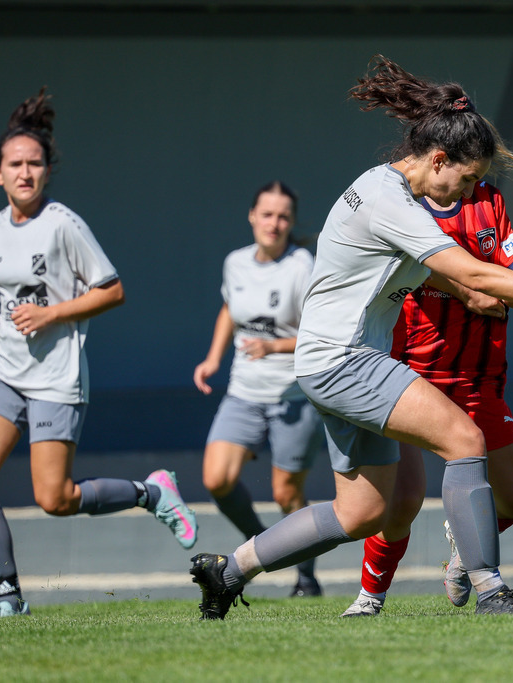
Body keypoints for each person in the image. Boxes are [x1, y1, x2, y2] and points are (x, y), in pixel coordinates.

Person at [189, 55, 513, 619]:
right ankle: (490, 590)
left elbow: (438, 273)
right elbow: (470, 268)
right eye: (462, 179)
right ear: (438, 159)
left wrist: (467, 294)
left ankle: (229, 570)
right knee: (464, 440)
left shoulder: (387, 192)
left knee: (362, 512)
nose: (465, 195)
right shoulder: (393, 200)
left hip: (327, 364)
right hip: (345, 361)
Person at [0, 89, 198, 618]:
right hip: (5, 373)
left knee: (54, 499)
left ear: (47, 172)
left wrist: (51, 314)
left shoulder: (63, 224)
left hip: (57, 377)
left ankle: (152, 492)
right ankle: (8, 597)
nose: (25, 172)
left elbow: (112, 289)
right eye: (15, 164)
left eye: (35, 164)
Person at [341, 180, 513, 616]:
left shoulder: (489, 199)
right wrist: (467, 289)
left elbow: (510, 263)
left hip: (477, 376)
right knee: (402, 500)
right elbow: (412, 262)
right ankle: (368, 599)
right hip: (409, 372)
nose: (472, 178)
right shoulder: (401, 199)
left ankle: (463, 549)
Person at [192, 181, 325, 598]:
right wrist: (213, 359)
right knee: (216, 479)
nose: (274, 223)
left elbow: (321, 333)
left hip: (293, 396)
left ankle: (306, 576)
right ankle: (264, 546)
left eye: (283, 216)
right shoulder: (235, 263)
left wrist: (274, 346)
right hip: (243, 392)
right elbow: (230, 309)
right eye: (267, 214)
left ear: (291, 222)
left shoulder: (303, 265)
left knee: (287, 493)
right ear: (252, 216)